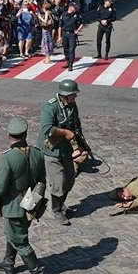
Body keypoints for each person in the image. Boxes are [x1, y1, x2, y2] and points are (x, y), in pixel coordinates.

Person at [0, 117, 48, 274]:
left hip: (13, 207)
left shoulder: (7, 158)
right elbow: (42, 181)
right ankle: (8, 263)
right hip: (31, 204)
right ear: (25, 134)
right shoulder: (37, 153)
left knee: (19, 240)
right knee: (13, 233)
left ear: (9, 136)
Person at [38, 79, 82, 225]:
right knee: (58, 181)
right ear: (66, 95)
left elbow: (76, 124)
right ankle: (56, 210)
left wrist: (80, 144)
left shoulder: (72, 105)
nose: (75, 97)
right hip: (52, 151)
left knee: (70, 178)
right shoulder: (50, 107)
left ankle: (61, 204)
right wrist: (64, 133)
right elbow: (47, 128)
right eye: (73, 94)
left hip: (66, 150)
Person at [58, 3, 82, 71]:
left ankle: (71, 64)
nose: (76, 8)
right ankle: (67, 61)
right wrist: (59, 36)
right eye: (74, 7)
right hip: (65, 33)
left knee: (71, 49)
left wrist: (77, 30)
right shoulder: (64, 14)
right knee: (66, 48)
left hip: (72, 34)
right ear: (70, 7)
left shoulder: (77, 15)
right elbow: (60, 26)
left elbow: (82, 23)